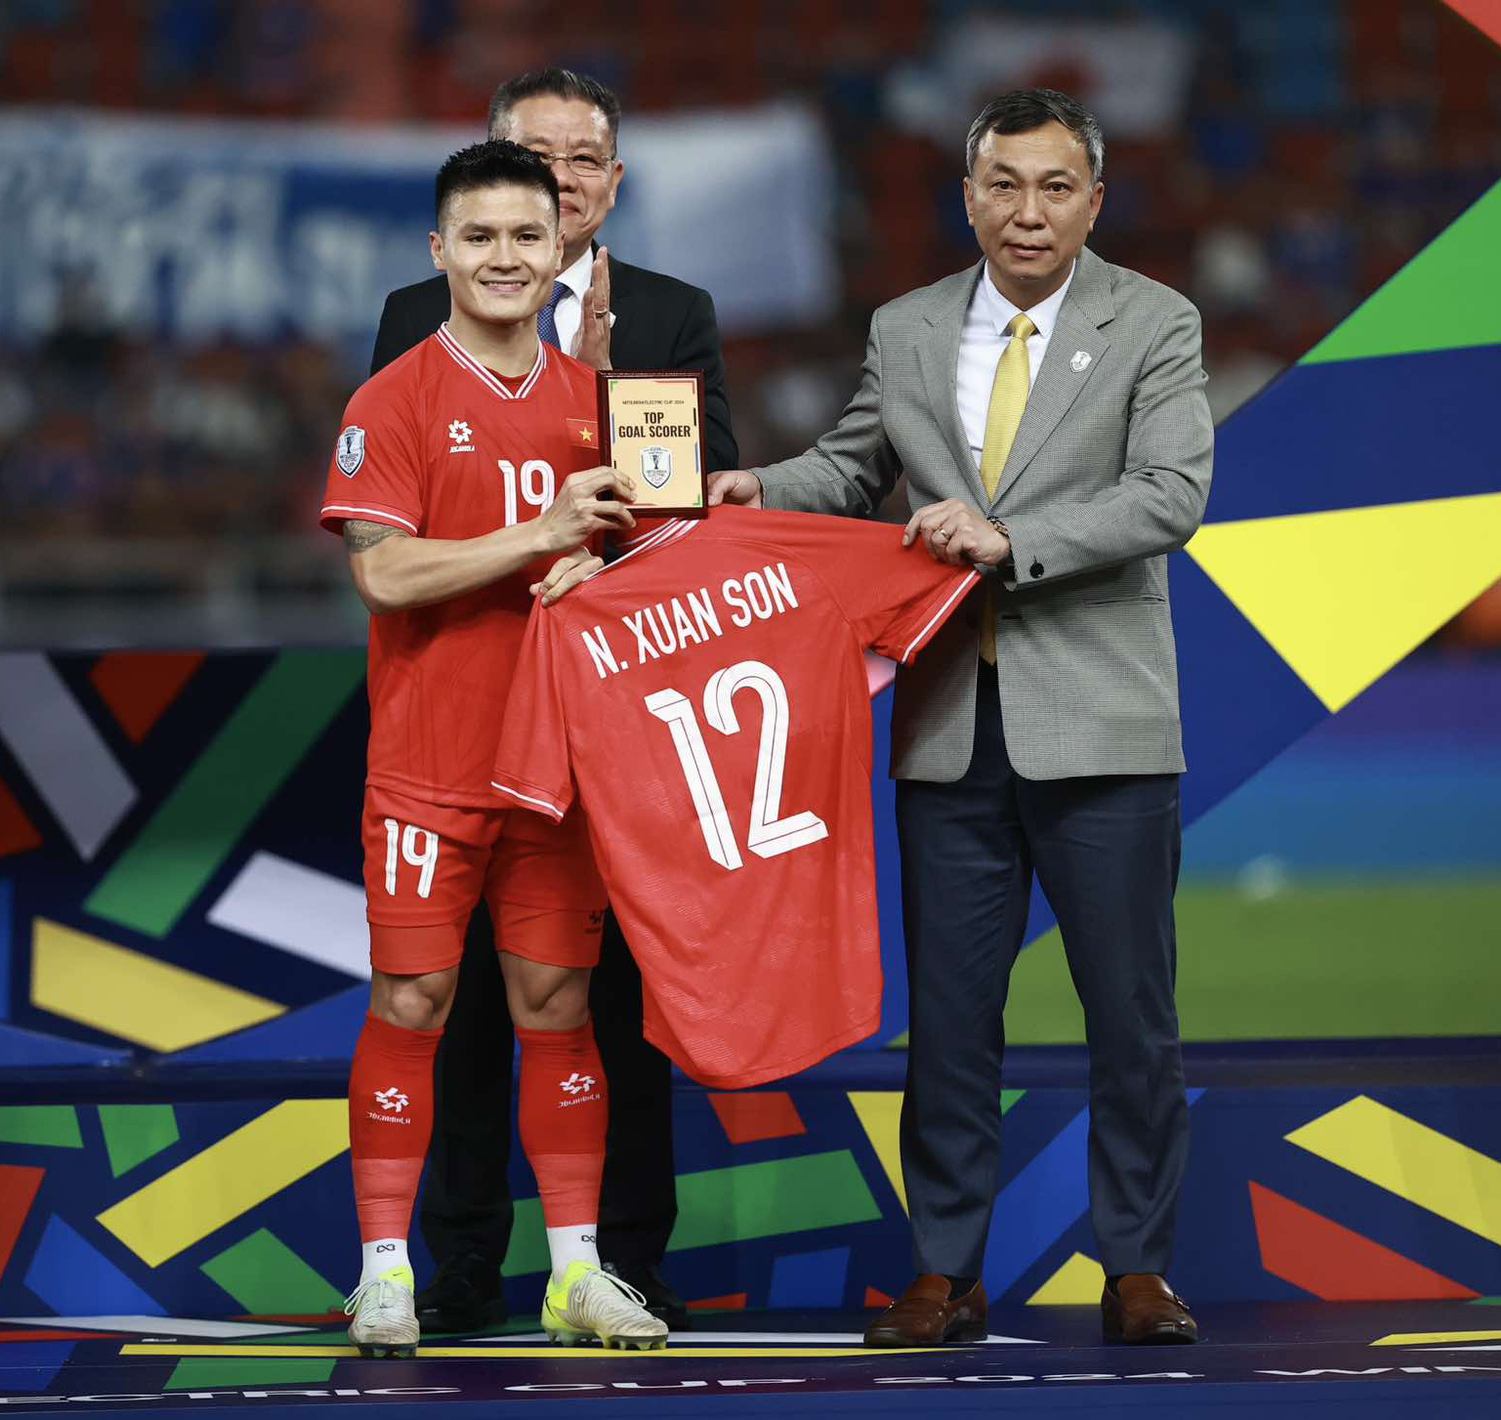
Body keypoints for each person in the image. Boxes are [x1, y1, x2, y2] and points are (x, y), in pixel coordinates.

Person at [710, 89, 1210, 1347]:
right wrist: (742, 487)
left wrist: (1009, 540)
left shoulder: (1153, 320)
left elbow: (1168, 494)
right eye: (1002, 183)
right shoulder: (908, 325)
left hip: (1102, 727)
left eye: (1053, 187)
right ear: (967, 192)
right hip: (944, 729)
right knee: (946, 1021)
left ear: (1093, 200)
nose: (1026, 210)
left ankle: (1137, 1265)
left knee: (1129, 1016)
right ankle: (943, 1269)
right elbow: (847, 466)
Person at [369, 64, 736, 1333]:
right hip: (457, 720)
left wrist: (618, 533)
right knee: (460, 1002)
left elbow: (696, 513)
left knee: (613, 998)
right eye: (535, 158)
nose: (560, 182)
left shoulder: (671, 317)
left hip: (612, 726)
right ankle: (462, 1264)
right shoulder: (416, 315)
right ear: (483, 178)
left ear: (611, 183)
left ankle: (619, 1260)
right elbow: (397, 527)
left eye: (583, 162)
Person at [320, 140, 666, 1358]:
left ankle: (575, 1271)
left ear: (557, 247)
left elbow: (649, 566)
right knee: (413, 997)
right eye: (479, 237)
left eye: (527, 236)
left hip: (559, 768)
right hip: (428, 761)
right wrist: (540, 536)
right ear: (439, 253)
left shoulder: (600, 402)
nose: (504, 257)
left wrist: (604, 563)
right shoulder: (392, 399)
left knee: (556, 1002)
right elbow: (384, 570)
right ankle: (381, 1270)